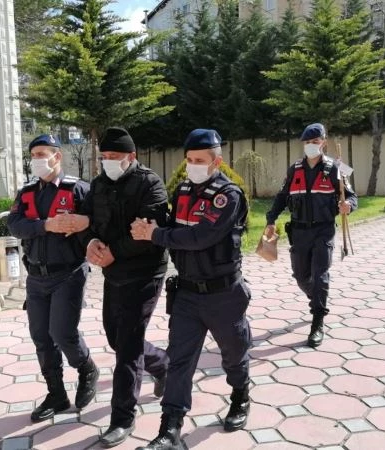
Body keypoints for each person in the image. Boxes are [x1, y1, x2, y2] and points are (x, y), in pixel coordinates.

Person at [131, 129, 252, 450]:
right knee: (179, 361)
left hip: (223, 294)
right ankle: (169, 430)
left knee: (234, 354)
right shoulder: (183, 190)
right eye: (189, 160)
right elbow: (173, 229)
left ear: (216, 162)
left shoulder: (227, 196)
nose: (193, 166)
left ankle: (240, 395)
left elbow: (202, 237)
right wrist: (148, 227)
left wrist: (154, 234)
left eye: (200, 160)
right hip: (186, 293)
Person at [69, 127, 169, 448]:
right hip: (114, 273)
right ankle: (163, 365)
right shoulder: (98, 185)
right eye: (105, 157)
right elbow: (85, 221)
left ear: (132, 157)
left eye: (115, 156)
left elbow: (148, 231)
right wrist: (91, 243)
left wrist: (114, 250)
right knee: (117, 338)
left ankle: (122, 417)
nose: (108, 162)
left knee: (127, 346)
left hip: (144, 272)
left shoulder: (150, 184)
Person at [7, 134, 98, 423]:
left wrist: (83, 225)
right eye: (33, 155)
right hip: (36, 277)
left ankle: (87, 369)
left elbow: (97, 222)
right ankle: (56, 394)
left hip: (68, 273)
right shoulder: (27, 192)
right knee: (41, 338)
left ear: (57, 156)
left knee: (62, 332)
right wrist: (47, 225)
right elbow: (15, 224)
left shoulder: (78, 189)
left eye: (42, 154)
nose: (36, 160)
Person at [264, 123, 357, 348]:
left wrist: (348, 205)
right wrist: (271, 219)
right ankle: (315, 296)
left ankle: (317, 321)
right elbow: (282, 196)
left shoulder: (337, 168)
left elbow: (352, 197)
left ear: (323, 142)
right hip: (299, 231)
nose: (311, 146)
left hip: (324, 230)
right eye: (307, 142)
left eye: (315, 142)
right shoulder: (294, 169)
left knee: (320, 274)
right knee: (300, 275)